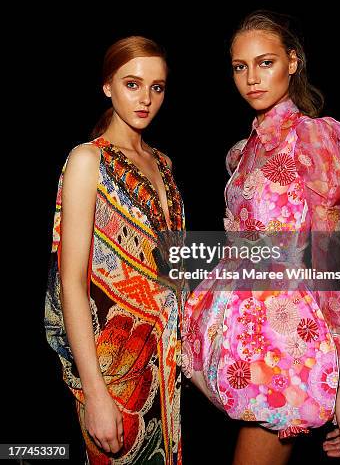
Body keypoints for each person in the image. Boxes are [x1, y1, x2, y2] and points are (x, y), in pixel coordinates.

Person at [182, 11, 340, 464]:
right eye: (239, 66)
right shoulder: (239, 153)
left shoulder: (316, 139)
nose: (250, 78)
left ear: (292, 61)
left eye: (264, 63)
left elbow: (331, 258)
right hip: (231, 333)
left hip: (285, 342)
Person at [44, 36, 186, 464]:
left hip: (167, 367)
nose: (145, 99)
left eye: (156, 87)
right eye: (132, 84)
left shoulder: (163, 163)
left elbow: (174, 270)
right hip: (114, 371)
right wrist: (96, 394)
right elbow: (71, 283)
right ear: (108, 86)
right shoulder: (88, 160)